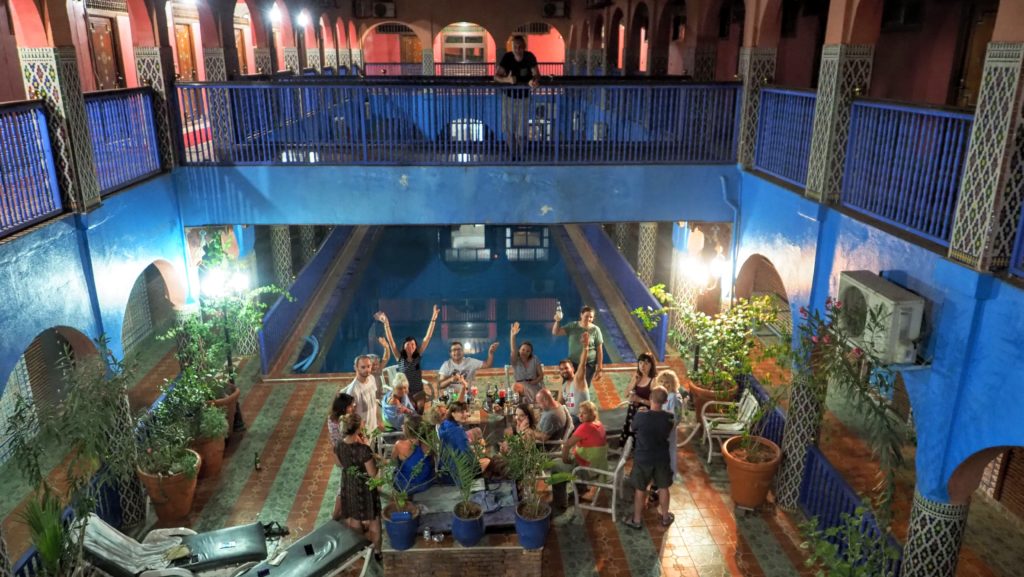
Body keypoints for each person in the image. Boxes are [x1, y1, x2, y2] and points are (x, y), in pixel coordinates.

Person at [624, 386, 675, 530]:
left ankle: (636, 520)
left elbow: (632, 428)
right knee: (663, 487)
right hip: (661, 458)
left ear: (650, 398)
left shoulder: (641, 416)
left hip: (643, 458)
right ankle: (665, 517)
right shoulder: (669, 418)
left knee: (640, 489)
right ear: (665, 401)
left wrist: (640, 413)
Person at [551, 400, 608, 524]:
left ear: (592, 414)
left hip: (587, 471)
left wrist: (565, 460)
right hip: (599, 467)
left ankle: (560, 504)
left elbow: (567, 445)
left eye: (584, 413)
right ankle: (581, 488)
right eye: (579, 413)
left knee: (556, 466)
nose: (580, 416)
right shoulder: (599, 423)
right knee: (569, 458)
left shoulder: (585, 427)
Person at [335, 413, 382, 557]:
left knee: (355, 518)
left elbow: (339, 464)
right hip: (365, 488)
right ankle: (377, 552)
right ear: (357, 428)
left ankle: (361, 550)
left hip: (349, 485)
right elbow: (372, 473)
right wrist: (378, 462)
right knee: (374, 519)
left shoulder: (338, 445)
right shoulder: (363, 450)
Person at [377, 306, 439, 400]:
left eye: (413, 344)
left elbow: (427, 337)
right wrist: (386, 323)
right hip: (404, 393)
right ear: (404, 346)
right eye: (408, 344)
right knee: (406, 403)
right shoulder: (400, 357)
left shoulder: (417, 356)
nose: (411, 346)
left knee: (420, 402)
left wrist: (433, 319)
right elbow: (391, 341)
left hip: (418, 391)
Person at [494, 35, 540, 157]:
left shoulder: (529, 57)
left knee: (522, 132)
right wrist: (507, 80)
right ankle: (513, 156)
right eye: (515, 47)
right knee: (509, 131)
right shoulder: (507, 57)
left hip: (524, 99)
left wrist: (534, 81)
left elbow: (537, 74)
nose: (517, 49)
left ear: (524, 47)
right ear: (512, 47)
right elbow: (496, 76)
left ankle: (522, 155)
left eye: (520, 47)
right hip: (508, 99)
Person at [552, 305, 604, 385]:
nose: (589, 319)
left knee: (582, 386)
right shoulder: (573, 326)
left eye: (591, 317)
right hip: (572, 363)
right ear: (581, 315)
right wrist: (557, 321)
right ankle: (568, 394)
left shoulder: (596, 330)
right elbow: (556, 332)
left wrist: (599, 368)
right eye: (586, 316)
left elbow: (599, 351)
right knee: (568, 384)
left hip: (588, 365)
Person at [438, 401, 491, 480]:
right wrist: (478, 458)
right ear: (453, 413)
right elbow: (467, 455)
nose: (466, 414)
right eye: (462, 412)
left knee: (477, 432)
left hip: (445, 469)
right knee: (488, 461)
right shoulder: (457, 431)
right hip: (456, 474)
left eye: (466, 411)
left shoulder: (445, 424)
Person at [328, 392, 356, 521]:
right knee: (344, 485)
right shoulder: (342, 423)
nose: (353, 406)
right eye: (350, 405)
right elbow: (349, 438)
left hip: (339, 453)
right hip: (346, 455)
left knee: (346, 481)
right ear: (344, 408)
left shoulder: (331, 418)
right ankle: (335, 514)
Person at [619, 351, 657, 447]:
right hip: (632, 413)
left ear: (651, 365)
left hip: (644, 416)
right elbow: (626, 394)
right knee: (628, 436)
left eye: (646, 363)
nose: (642, 366)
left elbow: (655, 404)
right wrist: (634, 382)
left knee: (638, 441)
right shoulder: (637, 376)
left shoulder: (653, 381)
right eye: (640, 363)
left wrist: (639, 399)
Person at [392, 416, 434, 496]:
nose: (402, 426)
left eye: (404, 425)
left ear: (408, 429)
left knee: (393, 470)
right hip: (426, 483)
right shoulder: (428, 443)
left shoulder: (400, 444)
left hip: (406, 486)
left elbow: (392, 462)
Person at [559, 332, 593, 427]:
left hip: (581, 418)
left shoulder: (578, 379)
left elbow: (582, 364)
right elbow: (559, 403)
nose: (564, 371)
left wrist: (585, 347)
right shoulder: (564, 386)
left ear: (573, 369)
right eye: (561, 369)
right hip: (571, 417)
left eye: (566, 368)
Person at [657, 369, 685, 481]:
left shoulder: (673, 397)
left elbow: (675, 418)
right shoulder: (666, 395)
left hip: (668, 430)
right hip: (663, 429)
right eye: (662, 381)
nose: (664, 384)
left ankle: (669, 476)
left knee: (669, 452)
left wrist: (666, 430)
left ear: (672, 383)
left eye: (667, 382)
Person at [342, 355, 381, 432]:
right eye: (363, 367)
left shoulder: (372, 378)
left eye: (368, 366)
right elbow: (350, 415)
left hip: (374, 426)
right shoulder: (353, 390)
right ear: (356, 368)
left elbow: (374, 401)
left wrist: (379, 419)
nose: (367, 370)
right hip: (363, 431)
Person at [509, 322, 545, 403]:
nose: (525, 352)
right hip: (520, 387)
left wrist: (534, 382)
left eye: (528, 351)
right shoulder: (515, 360)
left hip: (533, 385)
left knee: (536, 391)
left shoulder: (535, 359)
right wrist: (513, 336)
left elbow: (541, 375)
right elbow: (513, 350)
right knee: (515, 387)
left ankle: (531, 404)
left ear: (530, 353)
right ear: (519, 350)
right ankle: (528, 404)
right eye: (523, 350)